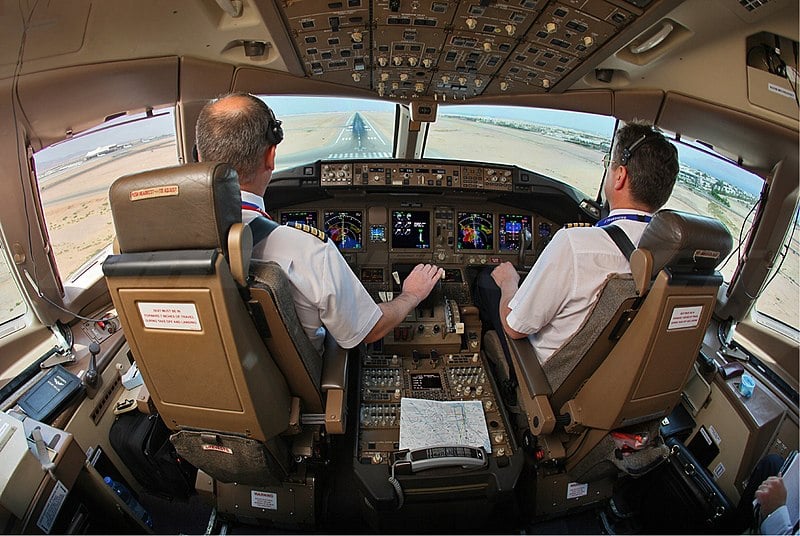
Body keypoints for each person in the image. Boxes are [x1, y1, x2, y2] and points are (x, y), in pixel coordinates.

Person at [196, 92, 443, 354]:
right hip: (303, 385)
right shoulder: (308, 250)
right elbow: (371, 330)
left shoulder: (159, 239)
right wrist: (412, 295)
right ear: (271, 157)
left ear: (199, 157)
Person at [481, 121, 679, 365]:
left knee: (488, 283)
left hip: (542, 377)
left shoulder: (576, 244)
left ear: (620, 176)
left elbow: (514, 327)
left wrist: (509, 283)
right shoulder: (671, 258)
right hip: (602, 377)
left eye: (609, 164)